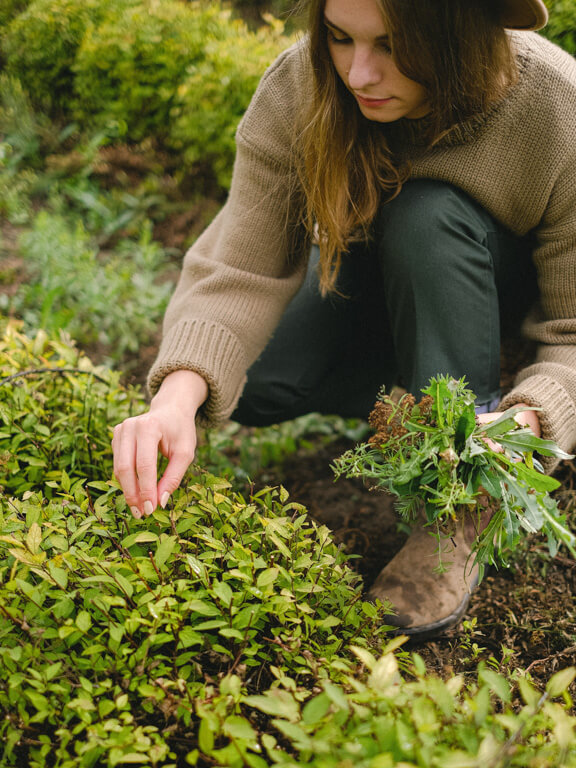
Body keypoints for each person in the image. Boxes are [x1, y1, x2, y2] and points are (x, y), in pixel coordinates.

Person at [112, 0, 576, 639]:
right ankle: (418, 400)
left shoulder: (555, 109)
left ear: (458, 33)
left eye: (391, 45)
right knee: (258, 376)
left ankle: (461, 493)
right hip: (389, 291)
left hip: (494, 298)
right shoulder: (302, 87)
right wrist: (175, 398)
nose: (358, 75)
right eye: (339, 38)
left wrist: (530, 420)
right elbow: (239, 268)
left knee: (426, 214)